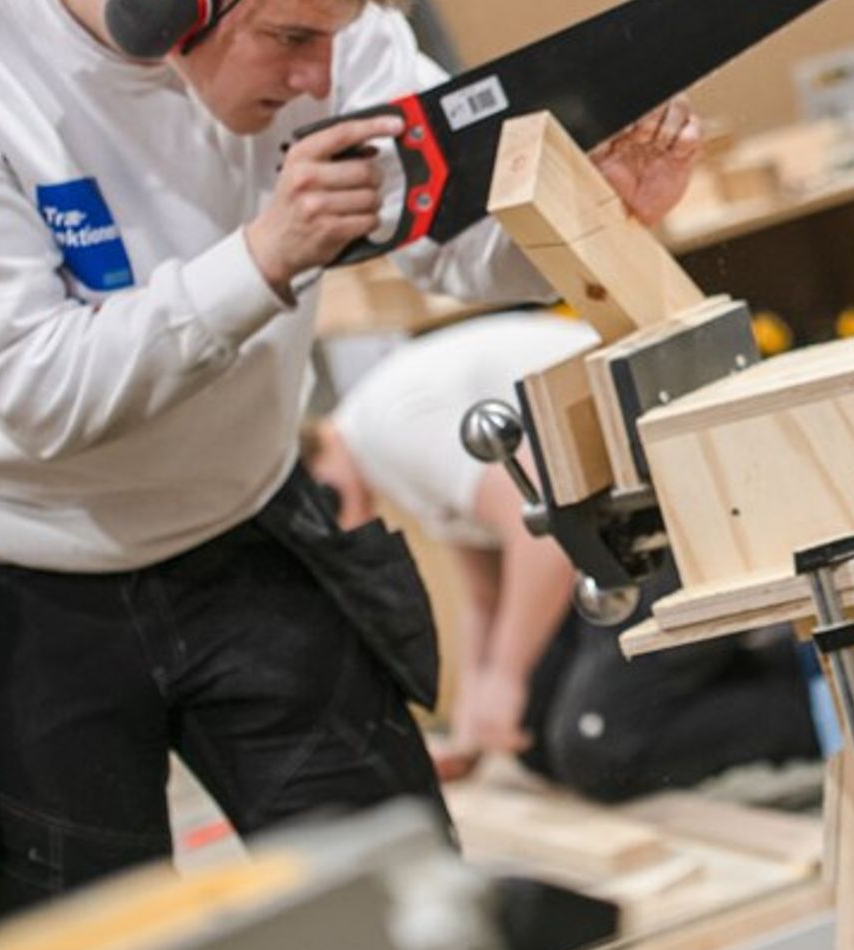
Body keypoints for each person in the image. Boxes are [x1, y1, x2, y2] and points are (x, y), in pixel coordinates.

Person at [0, 0, 691, 950]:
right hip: (5, 576)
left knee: (426, 949)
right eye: (289, 40)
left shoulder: (333, 17)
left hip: (241, 526)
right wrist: (265, 255)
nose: (317, 81)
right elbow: (40, 393)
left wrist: (587, 214)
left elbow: (447, 242)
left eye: (334, 43)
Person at [302, 307, 822, 801]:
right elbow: (485, 591)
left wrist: (505, 677)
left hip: (680, 502)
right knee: (532, 730)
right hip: (619, 528)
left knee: (599, 744)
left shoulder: (389, 429)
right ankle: (711, 679)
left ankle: (817, 694)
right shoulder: (377, 446)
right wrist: (472, 718)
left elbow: (541, 539)